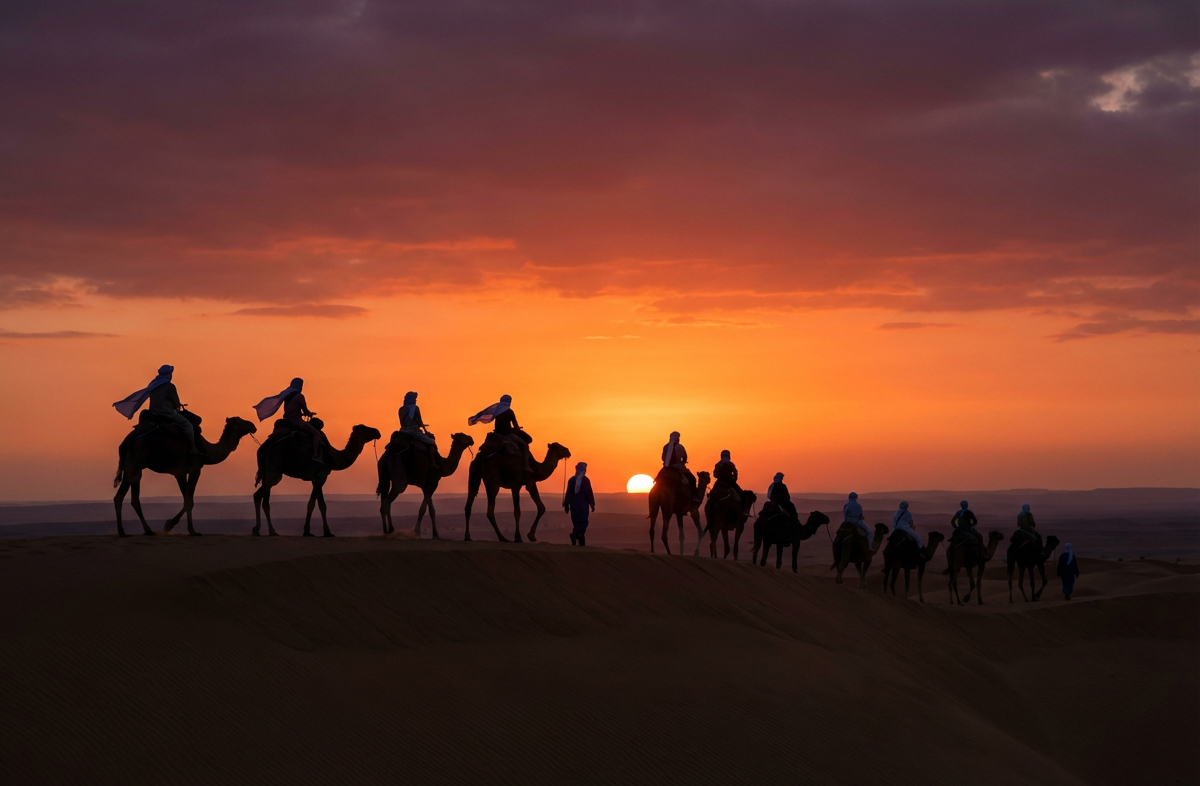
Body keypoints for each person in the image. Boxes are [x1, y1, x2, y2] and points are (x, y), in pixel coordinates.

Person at [112, 364, 201, 454]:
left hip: (153, 414)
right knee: (188, 426)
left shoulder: (154, 386)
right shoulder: (170, 386)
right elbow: (176, 403)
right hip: (167, 413)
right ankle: (192, 448)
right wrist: (177, 406)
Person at [253, 377, 324, 462]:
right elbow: (305, 410)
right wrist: (309, 413)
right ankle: (315, 455)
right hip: (297, 421)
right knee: (316, 434)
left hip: (286, 419)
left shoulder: (288, 395)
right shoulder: (300, 396)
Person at [562, 462, 596, 546]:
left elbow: (568, 493)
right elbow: (589, 493)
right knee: (583, 522)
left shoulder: (571, 480)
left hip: (574, 506)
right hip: (582, 506)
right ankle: (576, 536)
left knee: (576, 522)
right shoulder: (585, 480)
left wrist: (566, 504)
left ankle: (578, 538)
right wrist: (592, 505)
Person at [661, 431, 696, 498]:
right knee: (692, 479)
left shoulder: (665, 447)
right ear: (678, 439)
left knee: (658, 478)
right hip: (679, 467)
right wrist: (682, 462)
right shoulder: (680, 447)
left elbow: (663, 457)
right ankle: (694, 496)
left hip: (666, 468)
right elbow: (684, 457)